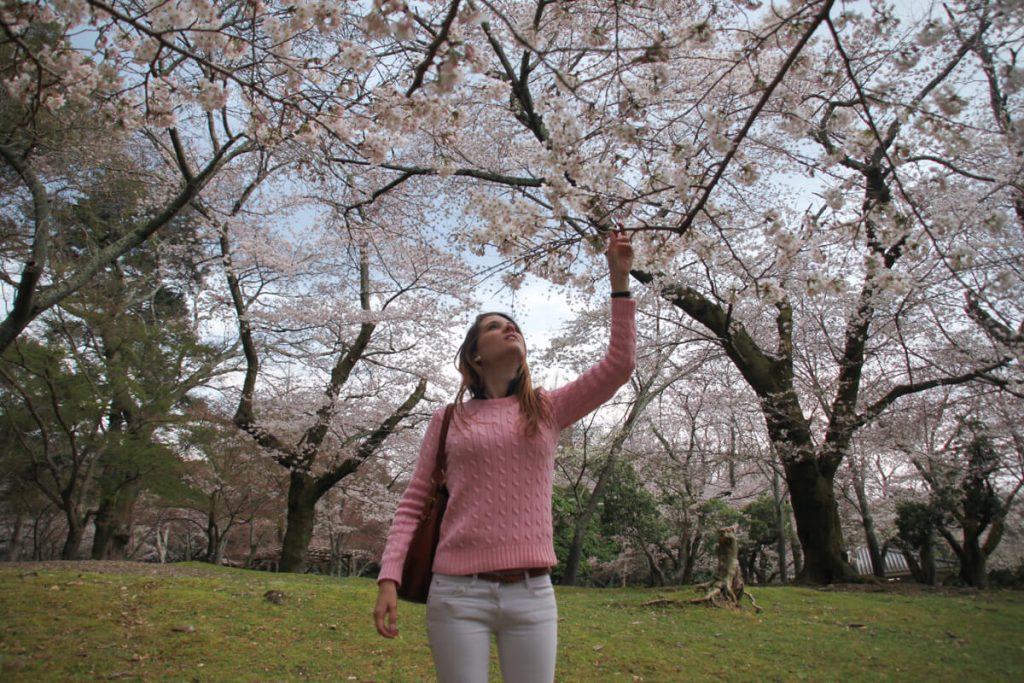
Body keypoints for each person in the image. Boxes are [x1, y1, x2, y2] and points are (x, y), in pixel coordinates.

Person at [373, 230, 636, 683]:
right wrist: (388, 578)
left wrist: (619, 279)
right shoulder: (448, 419)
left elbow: (619, 365)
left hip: (533, 594)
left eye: (512, 325)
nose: (508, 328)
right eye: (494, 327)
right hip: (457, 594)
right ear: (474, 355)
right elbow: (415, 503)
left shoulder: (547, 410)